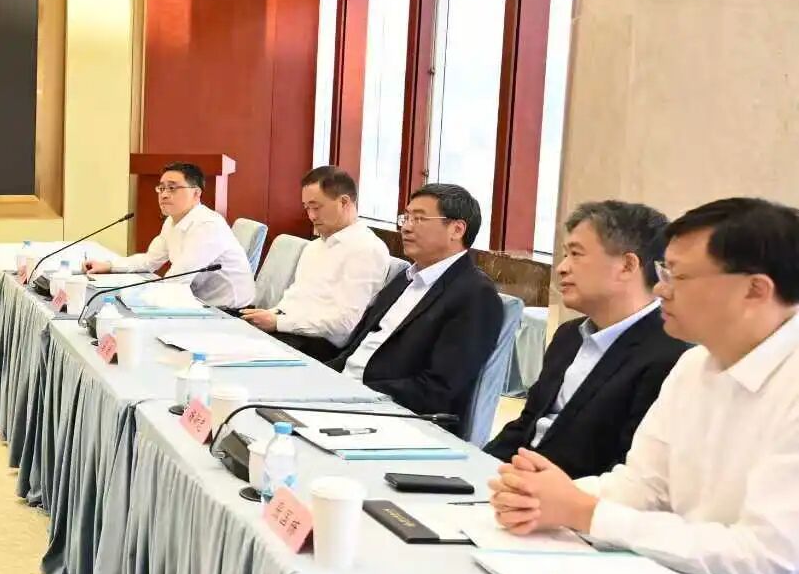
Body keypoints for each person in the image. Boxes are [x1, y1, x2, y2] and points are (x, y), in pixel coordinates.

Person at [491, 197, 799, 574]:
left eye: (679, 277)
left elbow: (763, 560)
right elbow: (642, 486)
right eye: (663, 272)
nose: (660, 289)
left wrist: (585, 513)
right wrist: (539, 496)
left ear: (755, 290)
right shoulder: (694, 365)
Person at [485, 201, 686, 476]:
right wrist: (474, 469)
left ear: (627, 265)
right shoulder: (569, 335)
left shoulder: (670, 355)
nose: (562, 268)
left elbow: (629, 471)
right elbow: (526, 426)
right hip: (513, 483)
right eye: (564, 254)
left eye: (576, 254)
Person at [328, 183, 504, 435]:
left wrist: (354, 392)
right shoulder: (405, 277)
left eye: (419, 219)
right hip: (345, 394)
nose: (406, 227)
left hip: (395, 417)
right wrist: (321, 377)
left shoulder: (475, 295)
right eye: (406, 217)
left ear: (456, 229)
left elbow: (438, 389)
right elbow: (355, 350)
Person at [240, 165, 390, 359]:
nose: (311, 216)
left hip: (316, 345)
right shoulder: (315, 246)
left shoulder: (366, 249)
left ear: (344, 202)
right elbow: (295, 298)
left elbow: (344, 324)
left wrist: (278, 323)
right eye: (307, 208)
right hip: (287, 329)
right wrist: (270, 316)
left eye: (316, 207)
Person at [83, 162, 255, 308]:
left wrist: (129, 295)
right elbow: (149, 260)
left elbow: (176, 280)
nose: (164, 195)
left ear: (196, 193)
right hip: (199, 304)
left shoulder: (208, 225)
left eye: (172, 188)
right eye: (161, 188)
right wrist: (109, 266)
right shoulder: (172, 221)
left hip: (230, 313)